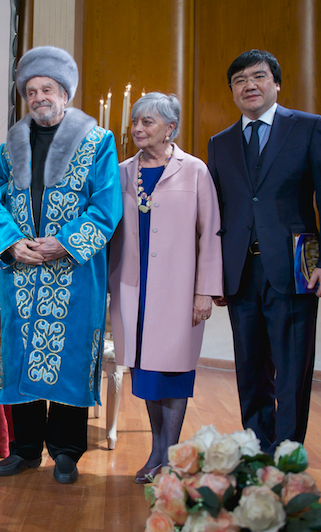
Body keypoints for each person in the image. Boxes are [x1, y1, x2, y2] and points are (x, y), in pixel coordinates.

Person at [0, 46, 122, 485]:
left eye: (47, 89)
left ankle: (66, 451)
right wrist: (10, 242)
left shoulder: (97, 141)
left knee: (71, 353)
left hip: (74, 272)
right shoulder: (11, 147)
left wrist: (64, 243)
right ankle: (24, 449)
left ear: (65, 92)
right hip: (23, 270)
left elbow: (106, 206)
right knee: (21, 353)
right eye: (31, 91)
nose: (39, 97)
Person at [207, 50, 321, 452]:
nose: (249, 85)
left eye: (258, 77)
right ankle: (256, 448)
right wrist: (214, 274)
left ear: (276, 84)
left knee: (292, 369)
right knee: (249, 369)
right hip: (240, 273)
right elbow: (217, 212)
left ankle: (286, 454)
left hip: (295, 268)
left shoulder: (308, 127)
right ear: (232, 91)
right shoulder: (220, 143)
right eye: (239, 80)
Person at [108, 92, 223, 483]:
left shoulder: (195, 171)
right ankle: (158, 453)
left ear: (170, 128)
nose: (138, 129)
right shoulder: (122, 172)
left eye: (148, 122)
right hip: (133, 290)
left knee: (173, 372)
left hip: (178, 292)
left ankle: (169, 457)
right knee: (147, 374)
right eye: (135, 122)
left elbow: (211, 234)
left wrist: (204, 291)